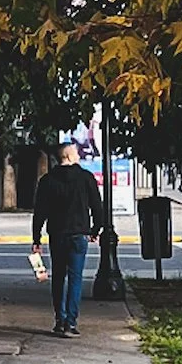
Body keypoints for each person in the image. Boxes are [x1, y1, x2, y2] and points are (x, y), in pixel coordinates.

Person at [31, 141, 105, 336]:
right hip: (79, 234)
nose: (79, 156)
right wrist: (95, 229)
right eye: (77, 154)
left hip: (57, 234)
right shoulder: (86, 178)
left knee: (58, 277)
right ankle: (71, 322)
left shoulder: (47, 180)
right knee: (75, 278)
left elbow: (39, 212)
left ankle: (59, 318)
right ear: (70, 156)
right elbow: (98, 208)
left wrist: (36, 238)